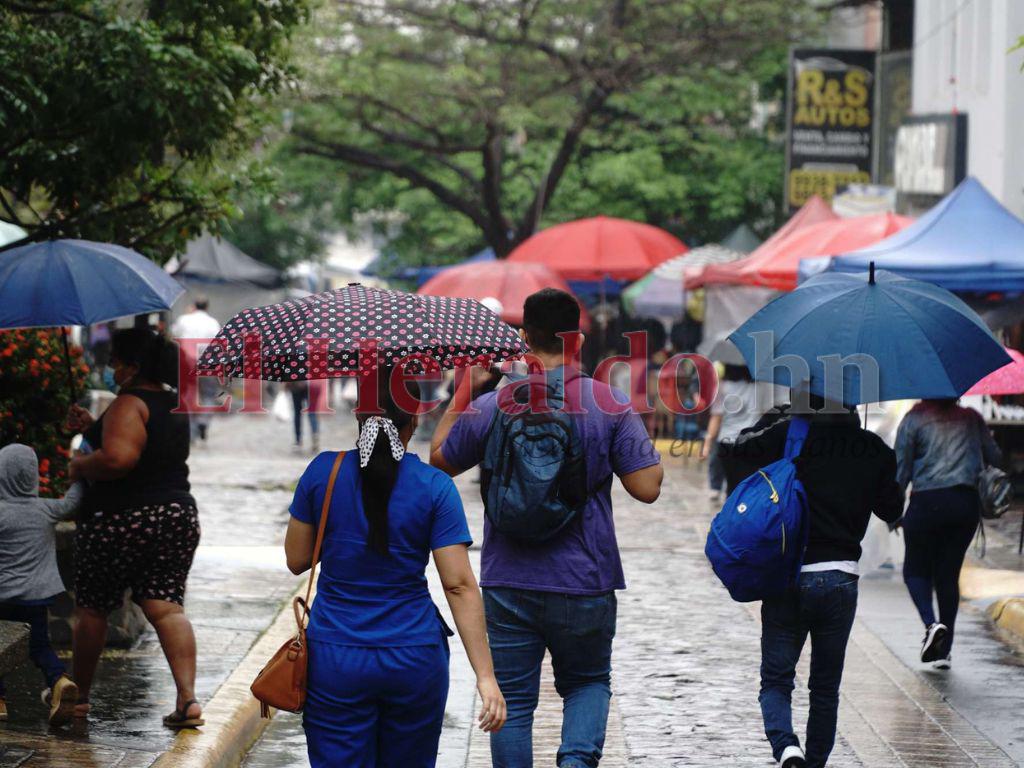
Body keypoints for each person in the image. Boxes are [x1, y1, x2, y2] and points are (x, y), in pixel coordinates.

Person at [430, 288, 664, 768]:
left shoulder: (494, 404)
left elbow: (439, 461)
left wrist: (467, 388)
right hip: (585, 579)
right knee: (587, 682)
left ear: (523, 337)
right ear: (578, 339)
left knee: (513, 702)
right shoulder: (609, 403)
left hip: (508, 580)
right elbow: (647, 488)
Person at [285, 374, 505, 767]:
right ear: (415, 419)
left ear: (358, 415)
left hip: (336, 656)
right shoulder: (435, 486)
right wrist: (485, 676)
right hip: (414, 656)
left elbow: (296, 559)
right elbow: (458, 585)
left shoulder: (322, 473)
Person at [729, 394, 902, 768]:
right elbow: (892, 509)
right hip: (840, 578)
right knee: (825, 687)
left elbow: (738, 448)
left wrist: (778, 418)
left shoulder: (790, 435)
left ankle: (787, 748)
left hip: (788, 576)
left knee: (776, 680)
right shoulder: (872, 448)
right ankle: (816, 762)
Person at [66, 328, 203, 727]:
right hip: (175, 516)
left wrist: (79, 465)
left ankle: (79, 698)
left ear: (133, 365)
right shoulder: (171, 402)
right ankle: (188, 701)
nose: (112, 368)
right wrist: (93, 427)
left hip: (122, 519)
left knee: (93, 608)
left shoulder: (129, 402)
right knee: (167, 608)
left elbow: (119, 458)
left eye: (116, 361)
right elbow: (148, 448)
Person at [894, 398, 1001, 668]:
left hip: (926, 503)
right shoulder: (972, 418)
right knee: (948, 575)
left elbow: (901, 469)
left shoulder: (914, 419)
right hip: (965, 505)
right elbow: (996, 457)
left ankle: (932, 625)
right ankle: (944, 651)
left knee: (914, 570)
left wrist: (893, 511)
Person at [0, 444, 83, 726]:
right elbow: (73, 502)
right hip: (35, 598)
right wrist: (81, 473)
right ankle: (59, 682)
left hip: (2, 596)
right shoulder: (45, 509)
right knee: (39, 647)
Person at [701, 363, 777, 497]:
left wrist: (707, 445)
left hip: (726, 442)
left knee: (731, 485)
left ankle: (730, 504)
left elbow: (716, 417)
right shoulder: (760, 387)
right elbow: (765, 414)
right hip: (751, 441)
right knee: (747, 486)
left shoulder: (722, 387)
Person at [171, 296, 222, 444]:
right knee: (208, 395)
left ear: (194, 306)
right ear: (207, 307)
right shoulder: (213, 323)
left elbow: (174, 333)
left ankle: (190, 428)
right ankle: (203, 422)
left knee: (187, 394)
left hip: (186, 362)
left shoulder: (184, 320)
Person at [286, 381, 322, 453]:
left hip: (296, 384)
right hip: (312, 384)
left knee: (297, 413)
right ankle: (315, 436)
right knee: (312, 412)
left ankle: (298, 441)